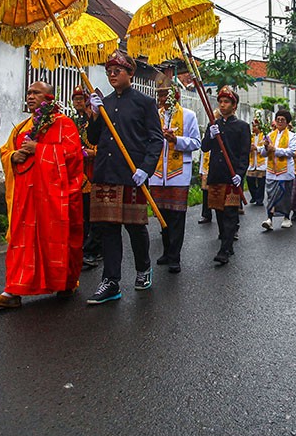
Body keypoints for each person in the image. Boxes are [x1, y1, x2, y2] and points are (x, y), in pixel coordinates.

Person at [0, 81, 84, 309]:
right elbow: (6, 150)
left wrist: (38, 150)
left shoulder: (64, 124)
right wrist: (12, 156)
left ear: (49, 97)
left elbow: (73, 156)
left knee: (59, 242)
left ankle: (65, 283)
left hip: (54, 198)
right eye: (29, 93)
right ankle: (13, 291)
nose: (30, 96)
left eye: (36, 93)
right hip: (26, 198)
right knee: (21, 242)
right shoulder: (22, 127)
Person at [85, 50, 164, 303]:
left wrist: (146, 168)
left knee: (135, 226)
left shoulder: (145, 103)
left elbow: (156, 139)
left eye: (117, 71)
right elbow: (94, 138)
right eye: (108, 71)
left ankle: (143, 268)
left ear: (130, 73)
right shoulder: (105, 103)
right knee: (108, 228)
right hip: (106, 172)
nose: (112, 75)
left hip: (132, 174)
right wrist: (94, 116)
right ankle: (111, 280)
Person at [148, 73, 201, 274]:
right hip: (157, 174)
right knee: (162, 214)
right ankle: (166, 251)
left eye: (165, 95)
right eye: (160, 95)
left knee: (177, 216)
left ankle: (175, 256)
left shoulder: (188, 116)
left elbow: (196, 142)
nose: (162, 99)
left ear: (175, 95)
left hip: (178, 173)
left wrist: (176, 140)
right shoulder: (154, 115)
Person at [201, 86, 250, 264]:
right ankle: (227, 243)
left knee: (230, 212)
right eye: (220, 101)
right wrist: (211, 135)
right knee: (219, 212)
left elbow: (244, 154)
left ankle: (224, 250)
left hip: (232, 176)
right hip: (216, 174)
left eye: (226, 102)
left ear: (234, 105)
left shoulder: (242, 127)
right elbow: (204, 147)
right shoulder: (213, 124)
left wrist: (240, 173)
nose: (222, 105)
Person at [70, 85, 102, 271]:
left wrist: (93, 153)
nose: (78, 103)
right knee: (81, 213)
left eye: (81, 99)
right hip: (78, 170)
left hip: (93, 170)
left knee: (93, 214)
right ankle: (83, 246)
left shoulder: (95, 121)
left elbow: (101, 144)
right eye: (75, 100)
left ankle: (95, 249)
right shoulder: (74, 121)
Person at [259, 109, 296, 230]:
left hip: (285, 172)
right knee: (271, 195)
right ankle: (269, 219)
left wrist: (275, 150)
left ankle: (286, 217)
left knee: (285, 196)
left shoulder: (292, 136)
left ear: (287, 122)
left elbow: (292, 152)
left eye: (282, 120)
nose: (280, 122)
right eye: (278, 119)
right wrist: (266, 147)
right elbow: (263, 154)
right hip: (271, 171)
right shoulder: (270, 135)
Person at [246, 119, 267, 206]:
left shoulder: (264, 136)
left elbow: (265, 148)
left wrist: (257, 148)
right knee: (249, 179)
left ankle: (259, 199)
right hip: (252, 162)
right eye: (253, 126)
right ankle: (254, 196)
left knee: (261, 182)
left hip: (261, 162)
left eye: (255, 126)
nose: (253, 128)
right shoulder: (251, 137)